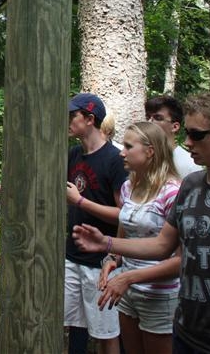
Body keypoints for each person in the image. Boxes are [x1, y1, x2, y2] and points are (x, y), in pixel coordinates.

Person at [73, 91, 210, 354]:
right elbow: (162, 245)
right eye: (186, 133)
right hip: (188, 324)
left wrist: (129, 275)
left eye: (196, 135)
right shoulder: (191, 185)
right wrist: (108, 246)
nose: (187, 143)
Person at [99, 122, 181, 354]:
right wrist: (112, 260)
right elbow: (124, 235)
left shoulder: (173, 193)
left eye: (128, 146)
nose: (122, 152)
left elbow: (179, 259)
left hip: (160, 294)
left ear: (150, 151)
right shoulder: (128, 187)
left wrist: (129, 278)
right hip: (128, 290)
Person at [64, 93, 127, 354]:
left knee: (106, 332)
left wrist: (80, 203)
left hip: (102, 262)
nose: (66, 121)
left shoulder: (115, 160)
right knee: (73, 326)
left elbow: (124, 214)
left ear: (90, 119)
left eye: (72, 116)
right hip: (71, 257)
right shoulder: (74, 154)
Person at [144, 95, 200, 178]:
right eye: (148, 117)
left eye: (158, 118)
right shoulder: (139, 158)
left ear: (175, 127)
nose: (149, 122)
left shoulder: (190, 165)